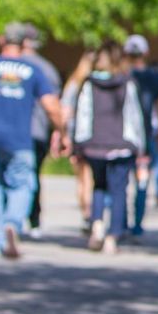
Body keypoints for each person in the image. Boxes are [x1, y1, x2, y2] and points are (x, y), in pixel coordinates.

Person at [0, 23, 63, 260]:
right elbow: (51, 107)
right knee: (23, 185)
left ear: (1, 40)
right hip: (21, 140)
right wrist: (62, 131)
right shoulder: (34, 70)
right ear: (24, 43)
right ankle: (13, 224)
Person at [71, 41, 145, 253]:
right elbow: (134, 116)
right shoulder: (127, 83)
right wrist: (139, 144)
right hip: (121, 145)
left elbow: (83, 114)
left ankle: (96, 227)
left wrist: (79, 143)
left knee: (99, 186)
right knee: (119, 190)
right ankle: (112, 236)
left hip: (95, 144)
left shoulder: (89, 83)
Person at [122, 35, 158, 236]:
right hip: (144, 137)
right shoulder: (154, 77)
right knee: (141, 181)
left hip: (122, 136)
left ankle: (121, 223)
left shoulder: (121, 75)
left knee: (120, 181)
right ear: (146, 53)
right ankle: (137, 225)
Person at [23, 30, 63, 232]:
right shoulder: (47, 69)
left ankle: (10, 219)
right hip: (37, 130)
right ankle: (33, 219)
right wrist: (59, 131)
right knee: (32, 175)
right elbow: (54, 105)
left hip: (18, 130)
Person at [61, 49, 96, 229]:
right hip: (93, 136)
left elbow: (64, 111)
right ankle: (91, 214)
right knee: (91, 178)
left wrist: (63, 134)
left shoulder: (74, 83)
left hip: (77, 135)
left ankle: (86, 213)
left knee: (82, 178)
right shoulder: (97, 83)